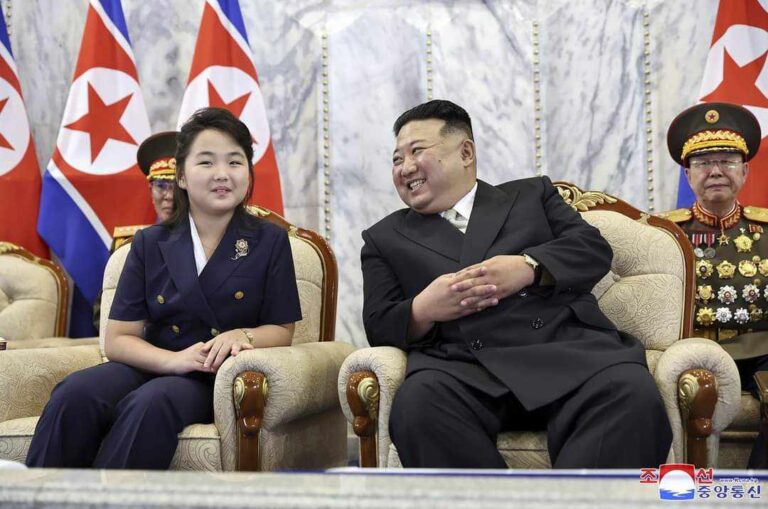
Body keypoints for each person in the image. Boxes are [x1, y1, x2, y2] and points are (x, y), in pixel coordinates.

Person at [361, 99, 672, 469]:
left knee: (631, 394)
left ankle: (575, 497)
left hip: (566, 351)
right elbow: (379, 323)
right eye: (397, 159)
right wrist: (423, 309)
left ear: (465, 152)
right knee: (417, 406)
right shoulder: (384, 237)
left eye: (417, 151)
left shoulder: (530, 195)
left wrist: (530, 267)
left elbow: (592, 250)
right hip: (462, 369)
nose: (405, 167)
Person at [26, 107, 302, 469]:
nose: (222, 173)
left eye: (235, 162)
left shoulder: (269, 241)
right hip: (155, 362)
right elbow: (118, 339)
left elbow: (282, 329)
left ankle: (106, 496)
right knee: (74, 393)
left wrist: (243, 335)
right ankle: (35, 494)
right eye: (206, 162)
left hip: (212, 377)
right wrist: (172, 361)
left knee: (151, 403)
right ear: (182, 176)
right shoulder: (150, 242)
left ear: (248, 173)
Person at [660, 101, 767, 468]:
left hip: (759, 350)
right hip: (690, 349)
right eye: (704, 163)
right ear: (688, 174)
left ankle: (757, 489)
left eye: (727, 161)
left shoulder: (765, 230)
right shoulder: (664, 232)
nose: (717, 171)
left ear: (745, 171)